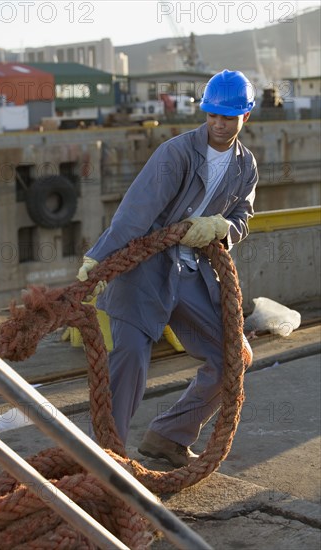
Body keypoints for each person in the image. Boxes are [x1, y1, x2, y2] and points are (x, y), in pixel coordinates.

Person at [77, 69, 258, 467]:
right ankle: (103, 457)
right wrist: (98, 263)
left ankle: (168, 436)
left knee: (234, 358)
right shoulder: (175, 154)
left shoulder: (245, 166)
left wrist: (224, 227)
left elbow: (244, 212)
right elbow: (134, 215)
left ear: (245, 117)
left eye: (227, 117)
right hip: (144, 269)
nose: (217, 123)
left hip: (189, 273)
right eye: (212, 114)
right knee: (130, 358)